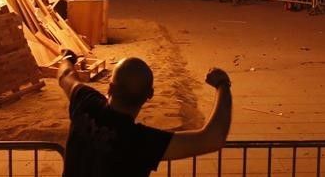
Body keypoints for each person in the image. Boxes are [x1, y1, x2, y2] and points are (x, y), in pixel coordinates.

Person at [57, 52, 232, 176]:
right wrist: (222, 84)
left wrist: (67, 57)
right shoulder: (141, 142)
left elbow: (66, 74)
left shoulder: (85, 102)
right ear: (150, 95)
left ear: (110, 87)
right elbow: (213, 138)